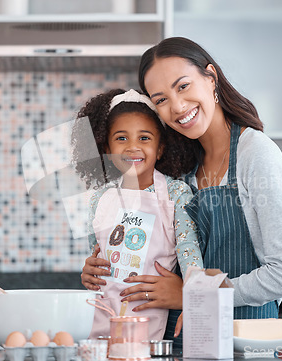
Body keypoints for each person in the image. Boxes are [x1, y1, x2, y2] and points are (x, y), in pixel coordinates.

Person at [80, 37, 282, 347]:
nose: (177, 106)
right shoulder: (180, 166)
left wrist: (196, 295)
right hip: (178, 339)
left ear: (210, 77)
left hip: (243, 338)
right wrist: (100, 266)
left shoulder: (257, 156)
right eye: (160, 99)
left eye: (182, 86)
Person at [71, 88, 203, 340]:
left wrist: (195, 298)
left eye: (144, 138)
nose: (133, 147)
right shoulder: (100, 198)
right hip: (101, 321)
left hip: (150, 322)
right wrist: (88, 272)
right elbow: (97, 258)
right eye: (121, 139)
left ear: (161, 148)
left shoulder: (176, 193)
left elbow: (190, 253)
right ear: (106, 147)